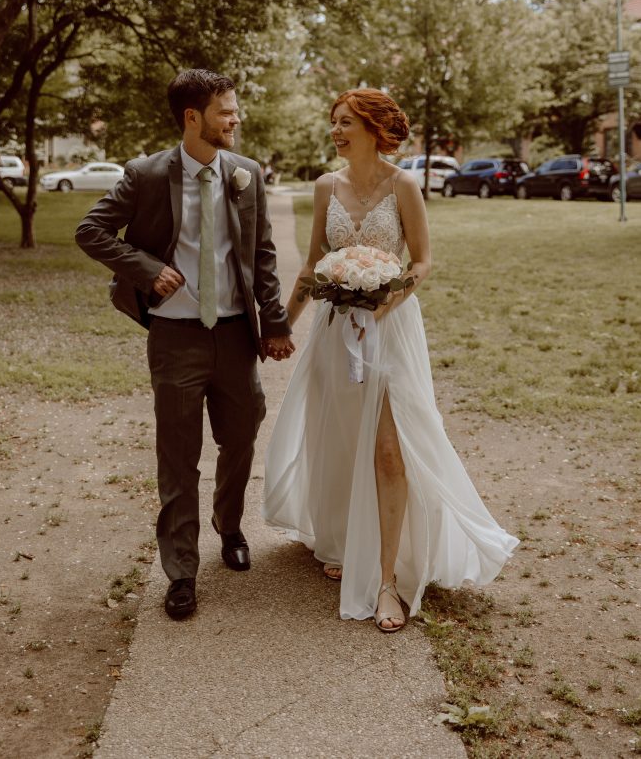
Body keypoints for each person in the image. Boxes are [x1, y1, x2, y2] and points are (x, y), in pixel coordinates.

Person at [262, 88, 518, 632]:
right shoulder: (324, 185)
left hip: (390, 329)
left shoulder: (403, 184)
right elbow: (312, 263)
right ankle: (340, 538)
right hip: (336, 333)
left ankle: (385, 581)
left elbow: (423, 261)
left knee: (388, 450)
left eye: (347, 121)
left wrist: (384, 301)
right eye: (333, 121)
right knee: (338, 436)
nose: (336, 130)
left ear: (375, 128)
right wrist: (283, 321)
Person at [76, 68, 295, 621]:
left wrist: (273, 323)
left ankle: (230, 524)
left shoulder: (246, 174)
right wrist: (147, 268)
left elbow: (261, 255)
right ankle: (181, 571)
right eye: (226, 110)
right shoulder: (146, 174)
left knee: (241, 437)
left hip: (234, 335)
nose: (235, 118)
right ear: (192, 118)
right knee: (178, 456)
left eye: (235, 108)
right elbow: (91, 231)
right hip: (174, 337)